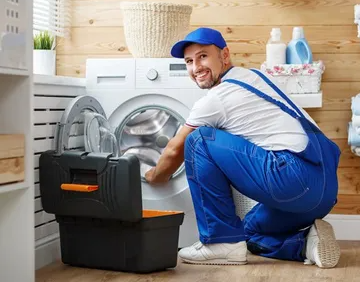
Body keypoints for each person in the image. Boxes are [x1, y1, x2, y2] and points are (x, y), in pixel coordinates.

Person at [144, 27, 341, 268]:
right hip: (324, 191)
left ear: (224, 56)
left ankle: (218, 242)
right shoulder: (254, 77)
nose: (196, 68)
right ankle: (305, 245)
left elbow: (175, 149)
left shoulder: (217, 98)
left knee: (199, 140)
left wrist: (153, 177)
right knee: (246, 232)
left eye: (203, 56)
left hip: (292, 177)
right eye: (189, 61)